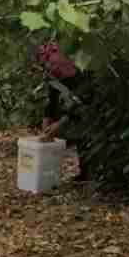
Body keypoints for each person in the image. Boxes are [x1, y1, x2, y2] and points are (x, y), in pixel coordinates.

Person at [36, 42, 90, 182]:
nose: (50, 67)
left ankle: (90, 171)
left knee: (84, 128)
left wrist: (59, 124)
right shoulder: (54, 75)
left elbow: (84, 101)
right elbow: (51, 101)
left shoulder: (81, 71)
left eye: (52, 63)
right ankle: (84, 172)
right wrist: (46, 125)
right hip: (75, 110)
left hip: (91, 111)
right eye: (46, 64)